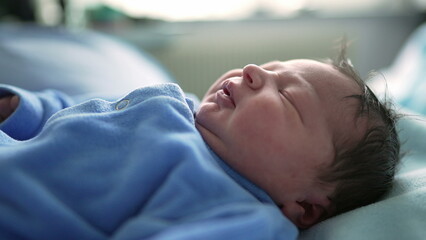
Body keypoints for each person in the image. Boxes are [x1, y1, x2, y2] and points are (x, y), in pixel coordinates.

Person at [0, 47, 400, 239]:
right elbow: (82, 114)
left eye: (286, 97)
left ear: (307, 207)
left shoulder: (239, 215)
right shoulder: (179, 104)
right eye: (272, 66)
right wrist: (24, 109)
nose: (253, 70)